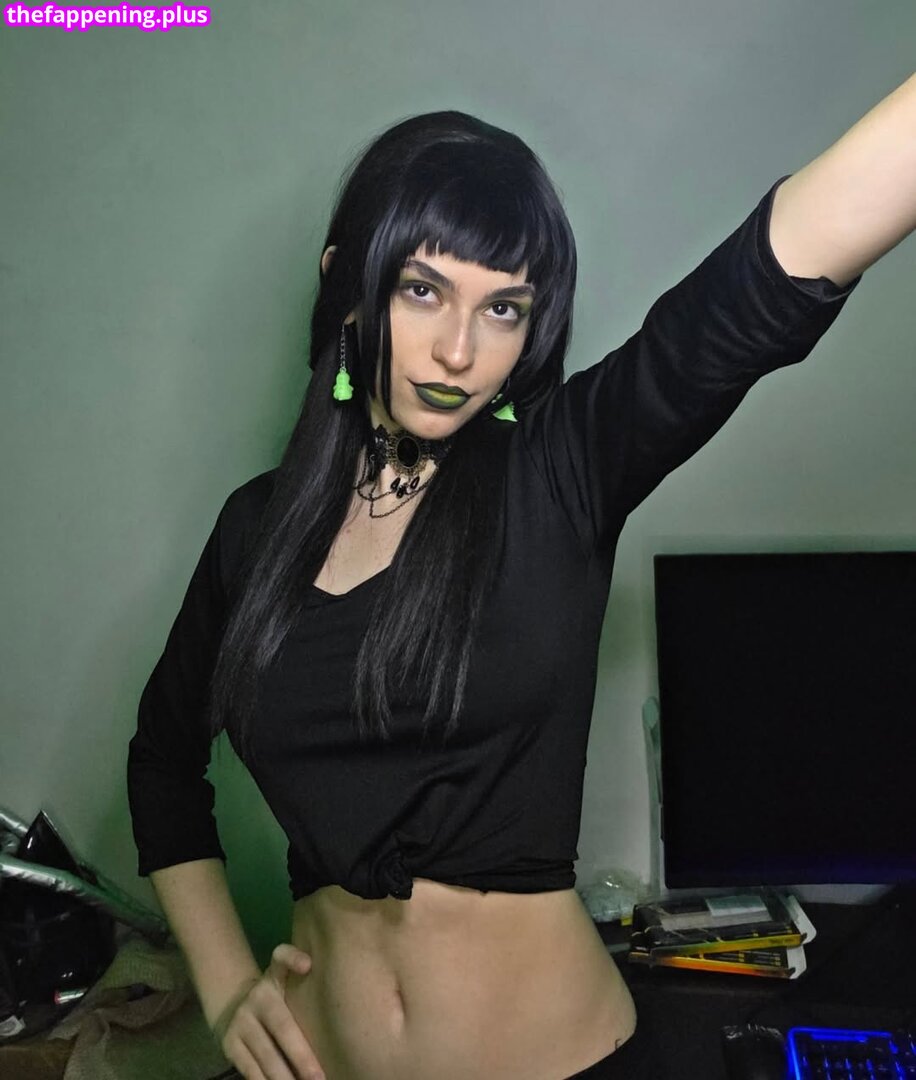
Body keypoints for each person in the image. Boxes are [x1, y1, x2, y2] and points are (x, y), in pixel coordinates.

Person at [127, 75, 915, 1080]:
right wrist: (227, 984)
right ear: (346, 286)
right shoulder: (255, 531)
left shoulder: (560, 469)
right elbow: (161, 765)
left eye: (503, 308)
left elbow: (764, 281)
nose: (460, 350)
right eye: (422, 290)